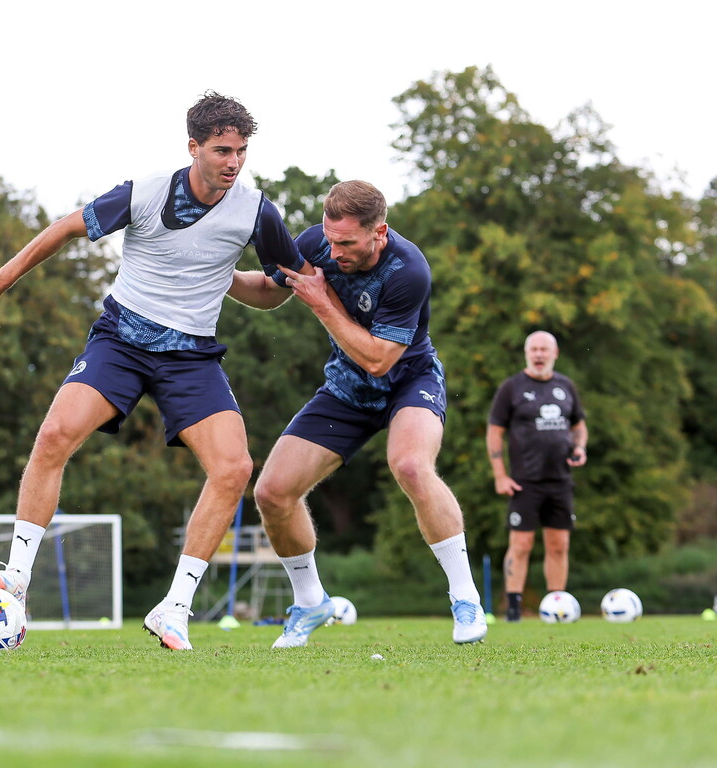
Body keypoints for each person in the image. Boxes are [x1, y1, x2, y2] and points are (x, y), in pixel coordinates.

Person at [0, 91, 310, 651]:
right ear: (193, 147)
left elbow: (277, 290)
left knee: (234, 468)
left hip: (191, 356)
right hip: (121, 341)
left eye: (241, 151)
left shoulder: (256, 212)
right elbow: (66, 227)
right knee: (54, 435)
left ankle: (174, 608)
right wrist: (4, 277)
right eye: (222, 150)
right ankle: (17, 581)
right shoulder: (146, 192)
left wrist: (240, 280)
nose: (234, 162)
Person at [227, 180, 488, 646]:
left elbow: (378, 359)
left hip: (408, 380)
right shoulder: (318, 242)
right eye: (330, 239)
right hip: (347, 390)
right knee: (272, 493)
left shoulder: (409, 270)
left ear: (378, 232)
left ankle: (465, 598)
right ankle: (310, 602)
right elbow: (269, 291)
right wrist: (217, 275)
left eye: (346, 243)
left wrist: (323, 304)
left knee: (411, 465)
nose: (334, 252)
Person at [486, 330, 588, 622]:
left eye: (544, 349)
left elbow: (579, 426)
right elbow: (494, 433)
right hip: (525, 481)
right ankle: (514, 609)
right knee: (521, 545)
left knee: (559, 545)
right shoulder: (511, 388)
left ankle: (557, 606)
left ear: (555, 354)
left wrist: (579, 447)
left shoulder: (566, 386)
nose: (539, 354)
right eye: (534, 349)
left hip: (560, 480)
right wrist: (500, 475)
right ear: (527, 353)